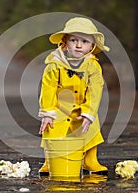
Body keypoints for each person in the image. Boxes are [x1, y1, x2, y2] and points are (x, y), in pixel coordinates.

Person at [38, 17, 110, 174]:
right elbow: (48, 87)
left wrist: (89, 112)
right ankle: (49, 161)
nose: (78, 45)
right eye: (73, 40)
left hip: (82, 105)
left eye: (84, 41)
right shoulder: (55, 64)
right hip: (60, 106)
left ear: (92, 46)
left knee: (91, 129)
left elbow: (95, 89)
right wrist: (48, 112)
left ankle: (90, 159)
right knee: (52, 129)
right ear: (64, 42)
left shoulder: (93, 65)